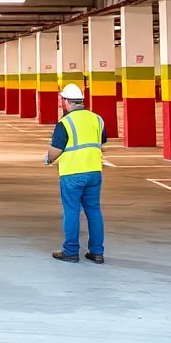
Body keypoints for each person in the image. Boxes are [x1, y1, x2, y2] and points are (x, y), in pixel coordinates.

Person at [44, 83, 106, 263]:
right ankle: (96, 252)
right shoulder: (97, 119)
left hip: (72, 174)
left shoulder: (65, 123)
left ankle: (70, 252)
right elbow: (101, 140)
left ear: (67, 101)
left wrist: (48, 159)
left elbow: (55, 150)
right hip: (94, 172)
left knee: (71, 211)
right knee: (93, 210)